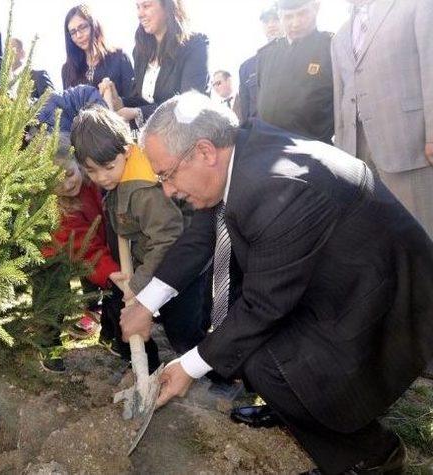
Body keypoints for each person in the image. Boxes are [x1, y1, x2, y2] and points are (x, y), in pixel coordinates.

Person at [133, 91, 433, 474]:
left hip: (385, 301)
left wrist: (189, 366)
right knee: (252, 346)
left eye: (167, 174)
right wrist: (146, 302)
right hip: (340, 281)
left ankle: (370, 456)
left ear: (205, 152)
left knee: (265, 362)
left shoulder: (276, 186)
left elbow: (263, 307)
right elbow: (203, 233)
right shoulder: (242, 151)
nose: (168, 190)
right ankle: (298, 413)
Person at [71, 105, 213, 371]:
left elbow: (168, 239)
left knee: (182, 328)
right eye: (91, 171)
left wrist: (138, 284)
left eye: (108, 167)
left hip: (180, 268)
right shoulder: (117, 177)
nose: (101, 178)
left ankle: (214, 371)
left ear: (126, 151)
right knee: (123, 311)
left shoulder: (143, 191)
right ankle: (146, 369)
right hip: (146, 260)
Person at [331, 0, 433, 240]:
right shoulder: (339, 36)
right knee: (383, 235)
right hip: (358, 154)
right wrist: (343, 153)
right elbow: (341, 96)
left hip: (409, 145)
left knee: (424, 232)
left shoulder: (415, 6)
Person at [33, 134, 124, 372]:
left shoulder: (91, 181)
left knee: (104, 290)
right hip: (53, 254)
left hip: (90, 244)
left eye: (70, 174)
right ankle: (48, 344)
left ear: (78, 164)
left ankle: (109, 333)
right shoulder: (58, 209)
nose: (66, 184)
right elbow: (83, 247)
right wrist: (111, 272)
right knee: (52, 298)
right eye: (56, 181)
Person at [101, 0, 209, 128]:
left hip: (185, 136)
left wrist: (139, 112)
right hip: (151, 138)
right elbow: (142, 100)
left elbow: (190, 103)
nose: (140, 14)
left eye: (146, 6)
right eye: (138, 7)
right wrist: (119, 101)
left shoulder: (195, 45)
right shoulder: (140, 51)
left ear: (168, 7)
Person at [255, 0, 334, 143]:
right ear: (280, 16)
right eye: (288, 17)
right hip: (271, 149)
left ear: (316, 8)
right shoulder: (266, 55)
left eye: (302, 13)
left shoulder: (330, 47)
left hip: (314, 151)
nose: (295, 23)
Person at [61, 4, 134, 100]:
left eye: (82, 27)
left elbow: (133, 100)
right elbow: (68, 108)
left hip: (116, 114)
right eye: (73, 32)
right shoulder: (67, 69)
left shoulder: (119, 57)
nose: (78, 35)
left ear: (94, 26)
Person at [237, 4, 283, 124]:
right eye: (266, 21)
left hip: (293, 134)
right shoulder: (246, 67)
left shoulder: (299, 55)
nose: (271, 25)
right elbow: (245, 112)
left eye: (276, 19)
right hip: (261, 136)